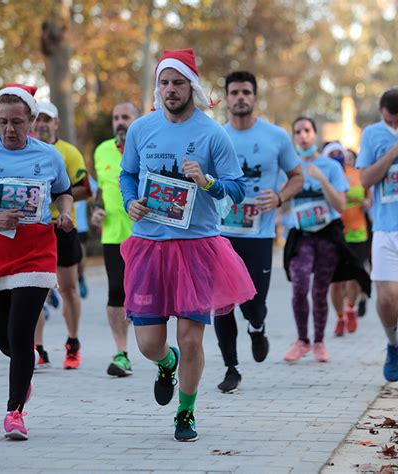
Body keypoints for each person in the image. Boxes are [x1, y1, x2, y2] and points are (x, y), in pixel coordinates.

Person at [119, 49, 256, 441]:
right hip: (148, 245)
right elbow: (128, 174)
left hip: (196, 246)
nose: (170, 90)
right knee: (148, 344)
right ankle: (166, 364)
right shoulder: (142, 129)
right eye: (164, 82)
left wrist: (208, 183)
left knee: (191, 336)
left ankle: (186, 412)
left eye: (178, 82)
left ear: (191, 86)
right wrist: (130, 201)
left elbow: (238, 189)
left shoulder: (213, 133)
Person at [0, 84, 73, 439]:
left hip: (36, 250)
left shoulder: (49, 155)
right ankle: (24, 372)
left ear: (32, 121)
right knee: (7, 342)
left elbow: (64, 190)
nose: (9, 129)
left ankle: (14, 412)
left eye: (17, 122)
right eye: (3, 121)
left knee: (21, 336)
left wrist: (65, 214)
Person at [214, 71, 303, 393]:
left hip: (260, 235)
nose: (240, 97)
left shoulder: (276, 137)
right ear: (226, 98)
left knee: (253, 301)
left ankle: (257, 325)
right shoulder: (215, 135)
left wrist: (279, 197)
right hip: (221, 233)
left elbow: (297, 176)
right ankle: (231, 368)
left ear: (254, 98)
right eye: (234, 92)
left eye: (246, 92)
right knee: (222, 302)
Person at [357, 88, 398, 394]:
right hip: (386, 229)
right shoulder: (372, 135)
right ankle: (393, 342)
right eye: (390, 119)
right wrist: (395, 151)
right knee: (386, 298)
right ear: (381, 112)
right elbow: (365, 180)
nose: (396, 124)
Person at [283, 117, 349, 363]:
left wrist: (321, 179)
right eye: (297, 131)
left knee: (320, 291)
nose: (303, 135)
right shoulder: (290, 168)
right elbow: (282, 203)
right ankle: (302, 340)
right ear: (293, 137)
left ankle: (319, 342)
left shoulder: (330, 166)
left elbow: (340, 205)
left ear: (315, 133)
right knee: (299, 286)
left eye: (307, 130)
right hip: (300, 236)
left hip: (326, 235)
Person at [33, 101, 90, 370]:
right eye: (39, 119)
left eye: (48, 119)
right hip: (34, 228)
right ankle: (38, 349)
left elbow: (85, 190)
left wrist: (55, 195)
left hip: (63, 228)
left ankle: (73, 343)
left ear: (56, 123)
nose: (42, 124)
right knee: (33, 291)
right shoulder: (25, 151)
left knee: (68, 289)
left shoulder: (69, 152)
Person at [91, 102, 139, 377]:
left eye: (126, 117)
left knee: (146, 295)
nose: (120, 122)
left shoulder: (147, 148)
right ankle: (122, 353)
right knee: (116, 295)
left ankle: (158, 349)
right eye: (116, 117)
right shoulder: (101, 150)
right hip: (113, 235)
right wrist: (96, 210)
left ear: (137, 120)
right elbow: (101, 190)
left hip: (145, 234)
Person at [324, 142, 371, 336]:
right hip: (334, 233)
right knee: (335, 281)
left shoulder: (356, 174)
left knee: (353, 275)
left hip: (357, 232)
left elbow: (369, 197)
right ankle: (340, 316)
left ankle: (350, 308)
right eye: (332, 153)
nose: (337, 156)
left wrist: (366, 202)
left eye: (339, 153)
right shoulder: (325, 176)